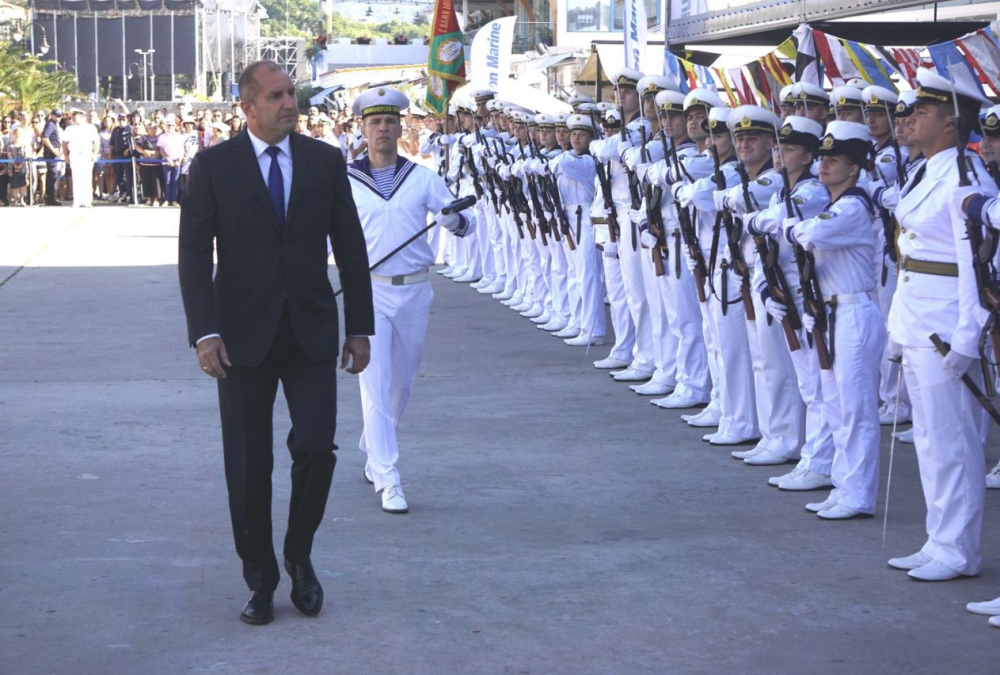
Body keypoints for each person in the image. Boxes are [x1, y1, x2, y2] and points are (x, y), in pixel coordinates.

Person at [179, 60, 374, 626]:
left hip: (311, 331)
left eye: (292, 94)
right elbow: (194, 255)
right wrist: (204, 331)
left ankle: (299, 553)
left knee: (316, 447)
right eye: (278, 96)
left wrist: (359, 325)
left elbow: (352, 247)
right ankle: (260, 580)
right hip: (239, 339)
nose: (291, 103)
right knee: (248, 463)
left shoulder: (324, 160)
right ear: (247, 107)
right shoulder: (214, 166)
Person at [885, 68, 998, 581]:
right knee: (930, 441)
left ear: (952, 122)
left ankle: (959, 551)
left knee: (954, 445)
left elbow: (977, 262)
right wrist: (898, 326)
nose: (909, 119)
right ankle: (939, 539)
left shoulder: (965, 176)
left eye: (922, 112)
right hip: (917, 321)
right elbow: (910, 255)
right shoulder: (926, 170)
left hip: (947, 328)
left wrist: (970, 337)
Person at [347, 87, 475, 514]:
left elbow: (465, 223)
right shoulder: (346, 180)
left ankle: (372, 442)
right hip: (369, 292)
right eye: (374, 123)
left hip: (415, 290)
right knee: (376, 383)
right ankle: (389, 478)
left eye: (389, 122)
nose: (382, 129)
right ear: (362, 130)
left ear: (401, 127)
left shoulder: (421, 176)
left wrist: (453, 218)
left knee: (401, 386)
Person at [61, 109, 100, 208]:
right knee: (76, 178)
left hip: (86, 154)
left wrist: (94, 153)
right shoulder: (69, 129)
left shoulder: (90, 128)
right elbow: (64, 142)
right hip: (74, 155)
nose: (73, 118)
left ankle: (87, 201)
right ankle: (77, 201)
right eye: (72, 116)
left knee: (86, 178)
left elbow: (96, 141)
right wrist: (66, 156)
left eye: (75, 116)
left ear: (82, 116)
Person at [156, 114, 185, 206]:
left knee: (175, 181)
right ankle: (167, 199)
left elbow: (182, 149)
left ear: (175, 126)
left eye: (172, 125)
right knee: (167, 180)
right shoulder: (162, 137)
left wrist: (179, 160)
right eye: (168, 125)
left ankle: (174, 200)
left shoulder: (180, 136)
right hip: (166, 162)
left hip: (177, 161)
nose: (170, 127)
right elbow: (161, 150)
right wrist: (167, 159)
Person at [40, 109, 63, 205]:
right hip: (51, 154)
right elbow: (45, 138)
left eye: (59, 116)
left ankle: (50, 197)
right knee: (51, 176)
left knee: (52, 175)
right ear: (52, 115)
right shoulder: (50, 124)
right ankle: (50, 198)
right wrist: (53, 149)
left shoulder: (54, 124)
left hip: (54, 154)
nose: (58, 117)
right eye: (56, 115)